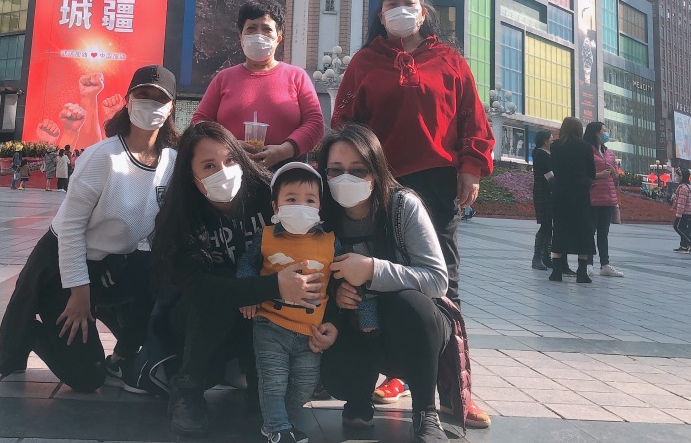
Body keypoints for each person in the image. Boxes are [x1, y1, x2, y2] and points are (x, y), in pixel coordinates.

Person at [330, 0, 493, 427]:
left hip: (438, 181)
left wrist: (471, 166)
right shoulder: (364, 62)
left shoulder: (451, 60)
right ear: (379, 15)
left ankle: (454, 394)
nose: (400, 9)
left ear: (424, 11)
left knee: (443, 284)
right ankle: (393, 373)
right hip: (379, 183)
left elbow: (472, 119)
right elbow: (343, 120)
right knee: (379, 274)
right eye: (391, 3)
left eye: (409, 1)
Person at [0, 65, 179, 393]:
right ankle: (31, 332)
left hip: (113, 267)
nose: (150, 105)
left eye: (159, 98)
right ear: (128, 101)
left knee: (160, 271)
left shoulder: (171, 162)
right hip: (65, 267)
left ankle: (121, 353)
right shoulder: (102, 157)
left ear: (171, 108)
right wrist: (80, 295)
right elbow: (69, 231)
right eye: (143, 96)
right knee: (87, 377)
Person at [151, 121, 324, 438]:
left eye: (230, 160)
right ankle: (188, 388)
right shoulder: (180, 220)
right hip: (198, 326)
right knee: (217, 288)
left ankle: (260, 384)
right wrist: (270, 286)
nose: (224, 171)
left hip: (263, 323)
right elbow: (201, 290)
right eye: (209, 165)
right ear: (191, 175)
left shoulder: (267, 195)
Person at [318, 123, 467, 443]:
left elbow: (437, 280)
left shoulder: (402, 206)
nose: (346, 178)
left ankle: (425, 411)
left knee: (409, 304)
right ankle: (356, 397)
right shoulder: (321, 214)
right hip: (358, 323)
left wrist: (372, 270)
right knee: (339, 353)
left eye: (358, 170)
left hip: (413, 327)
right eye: (335, 170)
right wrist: (336, 293)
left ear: (376, 170)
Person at [236, 162, 344, 443]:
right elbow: (246, 265)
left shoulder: (331, 242)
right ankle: (276, 428)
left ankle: (288, 423)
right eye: (291, 199)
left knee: (305, 383)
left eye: (310, 200)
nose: (301, 206)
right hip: (270, 324)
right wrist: (249, 294)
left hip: (312, 331)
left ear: (320, 207)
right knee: (273, 380)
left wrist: (365, 316)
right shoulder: (266, 236)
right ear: (276, 207)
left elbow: (348, 281)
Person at [191, 0, 325, 170]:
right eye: (251, 28)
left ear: (278, 38)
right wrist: (229, 146)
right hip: (231, 175)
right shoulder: (223, 78)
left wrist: (284, 151)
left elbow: (315, 123)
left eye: (267, 29)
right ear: (241, 36)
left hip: (285, 177)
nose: (259, 35)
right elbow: (198, 123)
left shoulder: (297, 76)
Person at [548, 117, 596, 282]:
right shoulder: (585, 147)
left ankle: (556, 270)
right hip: (580, 193)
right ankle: (582, 272)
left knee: (560, 229)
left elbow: (553, 168)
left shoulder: (555, 146)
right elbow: (592, 171)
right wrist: (586, 182)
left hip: (560, 192)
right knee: (583, 230)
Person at [584, 122, 623, 277]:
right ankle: (587, 263)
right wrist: (599, 176)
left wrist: (614, 172)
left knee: (603, 233)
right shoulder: (586, 150)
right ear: (595, 133)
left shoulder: (609, 153)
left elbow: (616, 179)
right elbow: (583, 173)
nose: (606, 134)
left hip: (608, 197)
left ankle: (605, 264)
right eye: (603, 131)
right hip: (593, 197)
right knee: (590, 231)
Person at [531, 131, 554, 270]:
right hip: (543, 193)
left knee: (549, 225)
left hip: (546, 193)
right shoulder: (541, 154)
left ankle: (546, 257)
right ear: (545, 140)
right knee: (545, 225)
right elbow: (549, 176)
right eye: (551, 137)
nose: (553, 139)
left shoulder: (545, 154)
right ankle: (537, 257)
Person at [671, 168, 691, 252]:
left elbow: (681, 202)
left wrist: (679, 213)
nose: (675, 177)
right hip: (687, 211)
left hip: (683, 211)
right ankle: (684, 245)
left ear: (681, 177)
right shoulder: (686, 187)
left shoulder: (683, 188)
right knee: (683, 227)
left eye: (676, 175)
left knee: (677, 227)